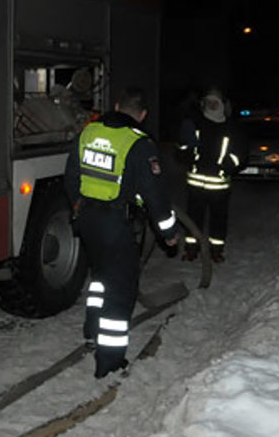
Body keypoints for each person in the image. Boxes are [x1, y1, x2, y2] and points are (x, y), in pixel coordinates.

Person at [64, 86, 180, 379]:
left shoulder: (88, 133)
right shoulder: (139, 143)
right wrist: (169, 233)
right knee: (120, 291)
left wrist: (79, 209)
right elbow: (155, 196)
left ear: (116, 105)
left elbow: (71, 177)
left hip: (88, 219)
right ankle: (110, 361)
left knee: (99, 279)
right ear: (142, 115)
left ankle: (91, 330)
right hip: (116, 224)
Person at [176, 87, 244, 263]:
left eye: (215, 102)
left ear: (222, 105)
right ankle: (191, 250)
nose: (212, 105)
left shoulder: (231, 127)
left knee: (219, 220)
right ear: (203, 103)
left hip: (220, 185)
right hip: (196, 184)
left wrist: (228, 166)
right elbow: (182, 152)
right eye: (208, 101)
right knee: (193, 219)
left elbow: (242, 153)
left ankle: (216, 251)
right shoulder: (195, 124)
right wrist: (185, 147)